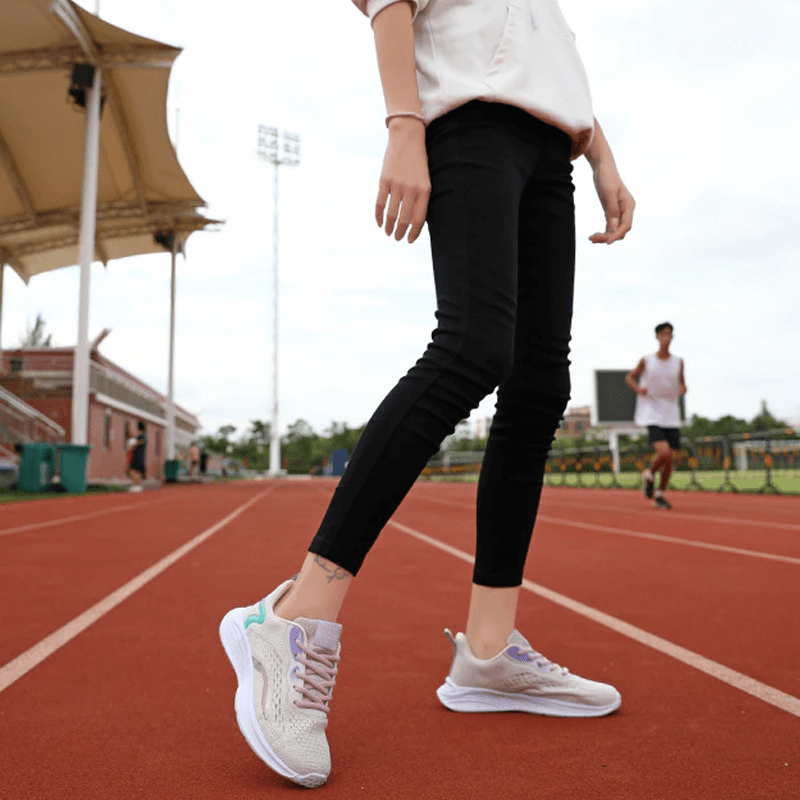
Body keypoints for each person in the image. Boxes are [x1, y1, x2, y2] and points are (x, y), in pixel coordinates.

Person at [219, 0, 635, 788]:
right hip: (470, 119)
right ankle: (295, 617)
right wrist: (404, 123)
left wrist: (600, 154)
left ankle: (489, 652)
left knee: (540, 386)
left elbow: (549, 49)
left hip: (554, 148)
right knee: (473, 346)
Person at [626, 322, 687, 510]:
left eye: (669, 334)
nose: (666, 337)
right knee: (664, 453)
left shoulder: (678, 362)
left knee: (669, 460)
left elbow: (681, 383)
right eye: (663, 334)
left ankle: (659, 494)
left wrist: (683, 388)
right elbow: (630, 377)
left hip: (671, 414)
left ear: (672, 337)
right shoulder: (647, 360)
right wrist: (639, 389)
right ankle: (650, 474)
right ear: (658, 337)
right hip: (652, 412)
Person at [128, 420, 147, 493]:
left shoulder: (142, 436)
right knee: (137, 472)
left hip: (138, 456)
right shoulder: (142, 436)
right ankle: (138, 486)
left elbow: (140, 442)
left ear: (138, 427)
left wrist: (133, 446)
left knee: (132, 471)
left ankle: (137, 485)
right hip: (140, 456)